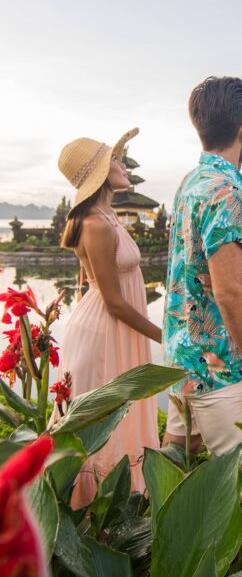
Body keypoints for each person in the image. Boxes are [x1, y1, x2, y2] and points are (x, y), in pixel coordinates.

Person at [162, 77, 242, 509]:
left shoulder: (190, 185)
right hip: (221, 369)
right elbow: (230, 294)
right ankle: (235, 574)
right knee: (236, 496)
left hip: (180, 361)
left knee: (175, 479)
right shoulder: (227, 195)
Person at [57, 129, 161, 507]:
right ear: (100, 173)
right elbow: (114, 302)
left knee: (123, 416)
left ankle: (122, 512)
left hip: (112, 327)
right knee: (105, 426)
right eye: (116, 160)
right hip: (105, 331)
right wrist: (164, 335)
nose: (123, 165)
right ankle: (93, 516)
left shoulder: (106, 216)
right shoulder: (96, 224)